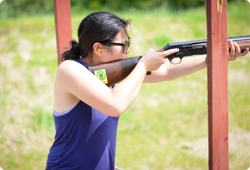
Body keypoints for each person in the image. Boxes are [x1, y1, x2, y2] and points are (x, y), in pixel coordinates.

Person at [46, 11, 249, 170]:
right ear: (98, 49)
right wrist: (143, 65)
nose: (128, 51)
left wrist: (212, 58)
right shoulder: (70, 70)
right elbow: (115, 104)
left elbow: (167, 70)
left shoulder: (111, 73)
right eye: (123, 45)